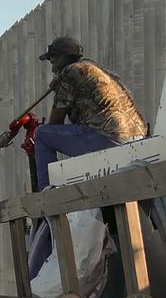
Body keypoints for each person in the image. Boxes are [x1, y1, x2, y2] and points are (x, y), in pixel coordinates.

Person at [33, 36, 147, 191]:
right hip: (138, 136)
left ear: (59, 58)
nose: (52, 66)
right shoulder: (99, 70)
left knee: (42, 133)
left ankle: (46, 192)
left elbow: (56, 121)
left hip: (107, 137)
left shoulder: (70, 71)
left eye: (52, 60)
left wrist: (59, 87)